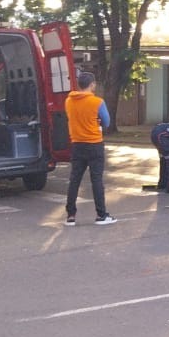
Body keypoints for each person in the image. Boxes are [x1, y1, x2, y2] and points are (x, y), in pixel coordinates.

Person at [64, 71, 117, 226]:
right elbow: (106, 122)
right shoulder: (97, 102)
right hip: (94, 144)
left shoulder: (69, 101)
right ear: (92, 84)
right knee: (96, 180)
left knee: (74, 179)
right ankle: (101, 214)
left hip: (77, 144)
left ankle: (71, 215)